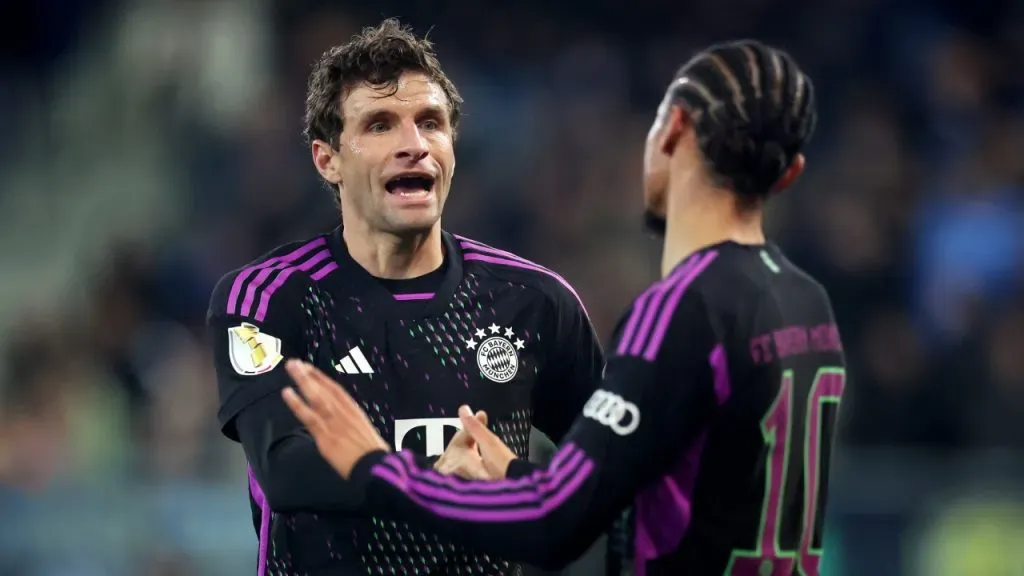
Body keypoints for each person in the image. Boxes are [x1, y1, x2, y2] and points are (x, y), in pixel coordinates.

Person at [280, 40, 847, 576]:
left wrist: (374, 467)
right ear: (790, 171)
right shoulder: (805, 301)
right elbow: (670, 492)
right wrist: (512, 472)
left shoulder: (680, 309)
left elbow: (556, 522)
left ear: (672, 130)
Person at [206, 18, 604, 576]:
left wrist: (518, 483)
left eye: (431, 123)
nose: (413, 145)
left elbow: (613, 478)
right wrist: (433, 484)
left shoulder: (534, 302)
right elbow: (284, 467)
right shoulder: (268, 298)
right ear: (329, 161)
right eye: (380, 125)